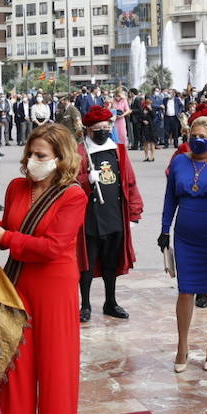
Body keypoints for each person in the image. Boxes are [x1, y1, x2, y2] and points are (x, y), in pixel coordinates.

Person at [0, 123, 88, 414]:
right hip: (19, 287)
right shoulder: (16, 187)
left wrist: (4, 236)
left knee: (56, 376)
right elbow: (10, 228)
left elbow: (54, 247)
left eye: (41, 156)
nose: (32, 161)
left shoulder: (73, 195)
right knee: (16, 376)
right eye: (30, 154)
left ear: (61, 158)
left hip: (55, 291)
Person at [159, 119, 207, 372]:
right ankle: (182, 346)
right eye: (193, 134)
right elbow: (170, 198)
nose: (197, 138)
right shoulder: (179, 161)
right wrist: (164, 229)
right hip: (185, 235)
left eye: (202, 134)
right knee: (185, 290)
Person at [76, 106, 143, 321]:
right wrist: (86, 180)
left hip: (114, 214)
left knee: (111, 263)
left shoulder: (119, 151)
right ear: (88, 130)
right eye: (98, 128)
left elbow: (130, 182)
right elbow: (68, 182)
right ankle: (85, 305)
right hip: (90, 218)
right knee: (87, 264)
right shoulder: (79, 152)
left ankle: (110, 302)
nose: (103, 131)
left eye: (106, 127)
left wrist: (134, 212)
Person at [131, 97, 156, 162]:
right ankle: (146, 156)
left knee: (151, 142)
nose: (148, 101)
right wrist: (142, 121)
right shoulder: (142, 108)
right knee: (145, 142)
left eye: (149, 100)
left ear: (151, 101)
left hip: (151, 127)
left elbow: (154, 116)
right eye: (146, 100)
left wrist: (150, 109)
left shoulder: (153, 108)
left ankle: (152, 156)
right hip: (143, 127)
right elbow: (139, 117)